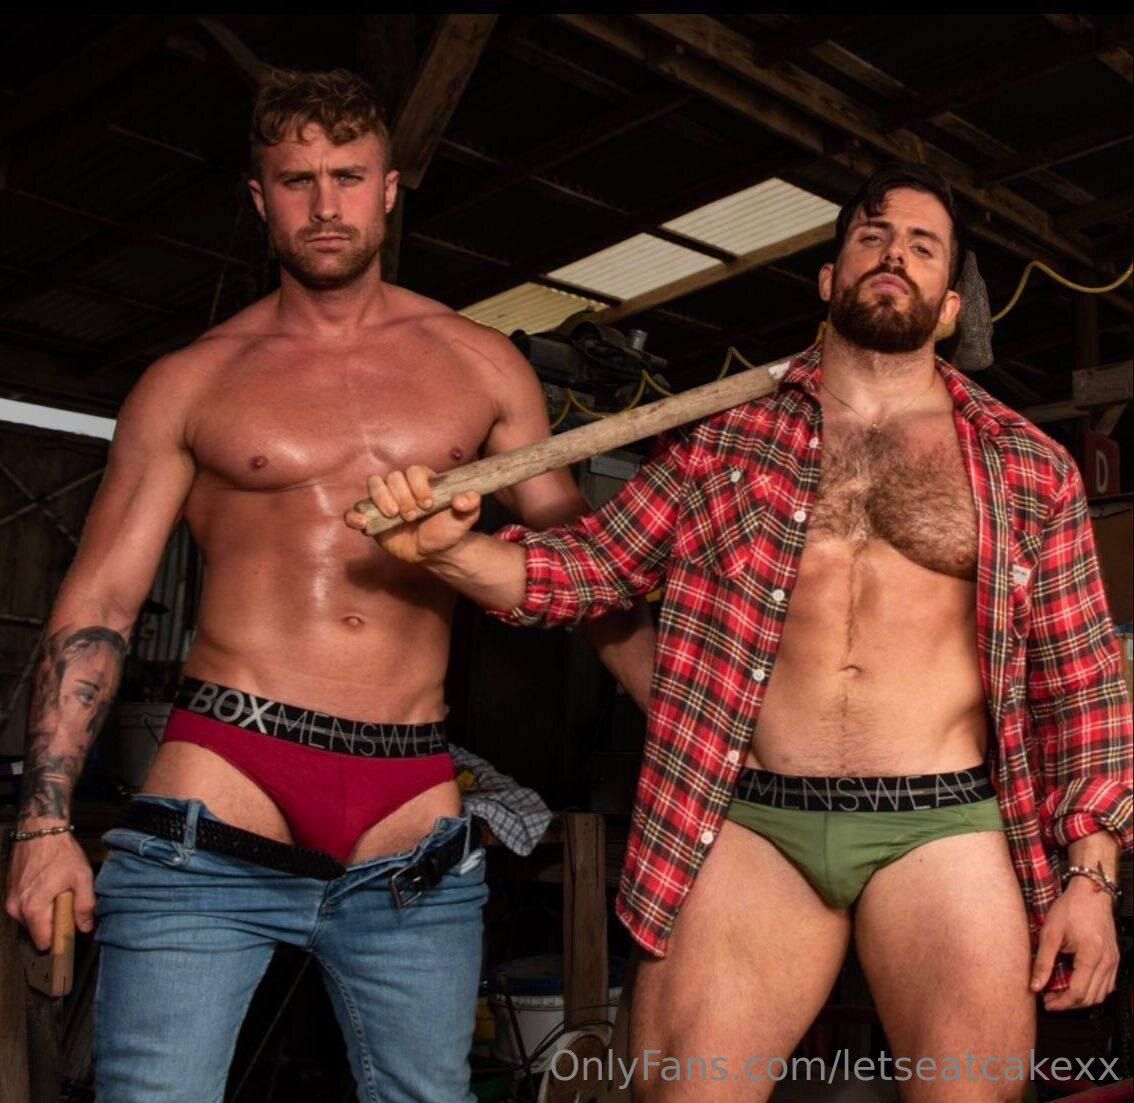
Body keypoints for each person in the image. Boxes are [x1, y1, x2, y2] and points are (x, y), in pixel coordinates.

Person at [353, 162, 1133, 1101]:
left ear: (950, 309)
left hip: (945, 825)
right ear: (829, 279)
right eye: (873, 236)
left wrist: (1092, 877)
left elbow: (1082, 678)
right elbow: (587, 569)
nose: (894, 254)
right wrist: (446, 551)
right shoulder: (723, 442)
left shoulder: (1025, 466)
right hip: (755, 817)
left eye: (924, 247)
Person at [4, 68, 653, 1103]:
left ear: (388, 190)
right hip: (219, 798)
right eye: (296, 180)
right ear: (259, 199)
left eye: (347, 177)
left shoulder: (482, 365)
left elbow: (586, 578)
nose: (324, 204)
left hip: (411, 825)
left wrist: (709, 741)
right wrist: (43, 825)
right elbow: (100, 605)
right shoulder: (192, 380)